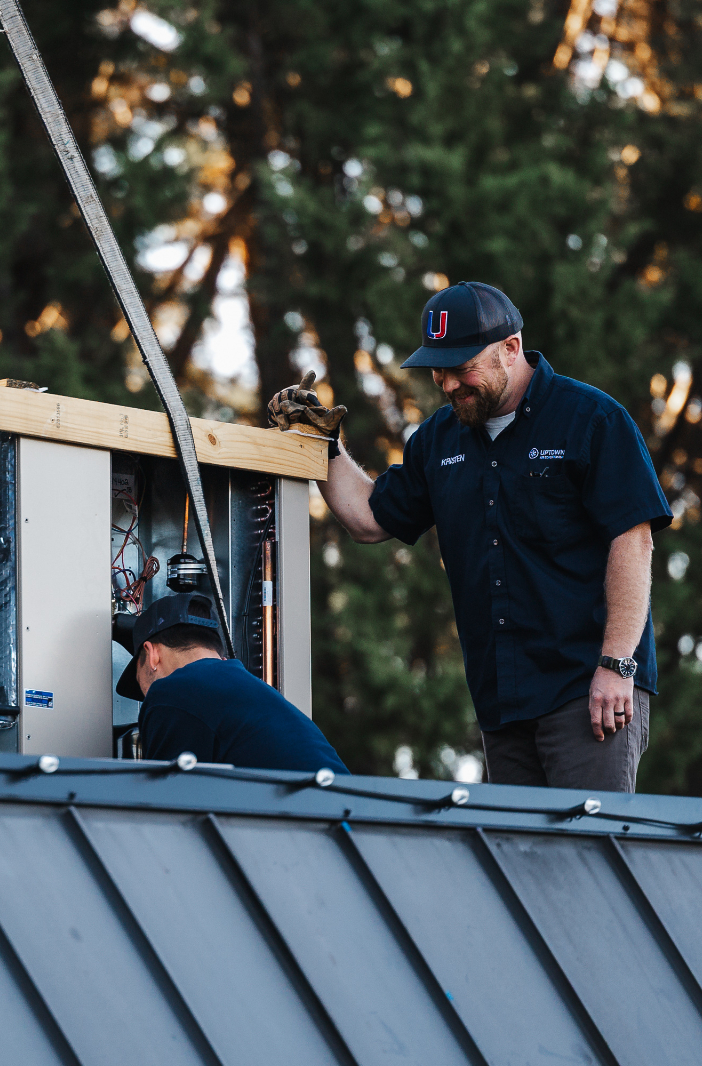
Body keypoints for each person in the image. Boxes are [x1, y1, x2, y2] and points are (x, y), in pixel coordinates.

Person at [269, 281, 671, 792]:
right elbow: (368, 518)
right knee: (512, 864)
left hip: (588, 694)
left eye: (462, 367)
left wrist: (616, 666)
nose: (448, 383)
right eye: (438, 370)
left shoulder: (592, 419)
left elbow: (633, 543)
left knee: (587, 859)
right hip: (501, 702)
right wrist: (320, 443)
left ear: (511, 348)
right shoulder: (438, 440)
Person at [117, 590, 349, 773]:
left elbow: (163, 810)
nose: (147, 696)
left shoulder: (171, 691)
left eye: (141, 684)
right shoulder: (250, 691)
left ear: (152, 655)